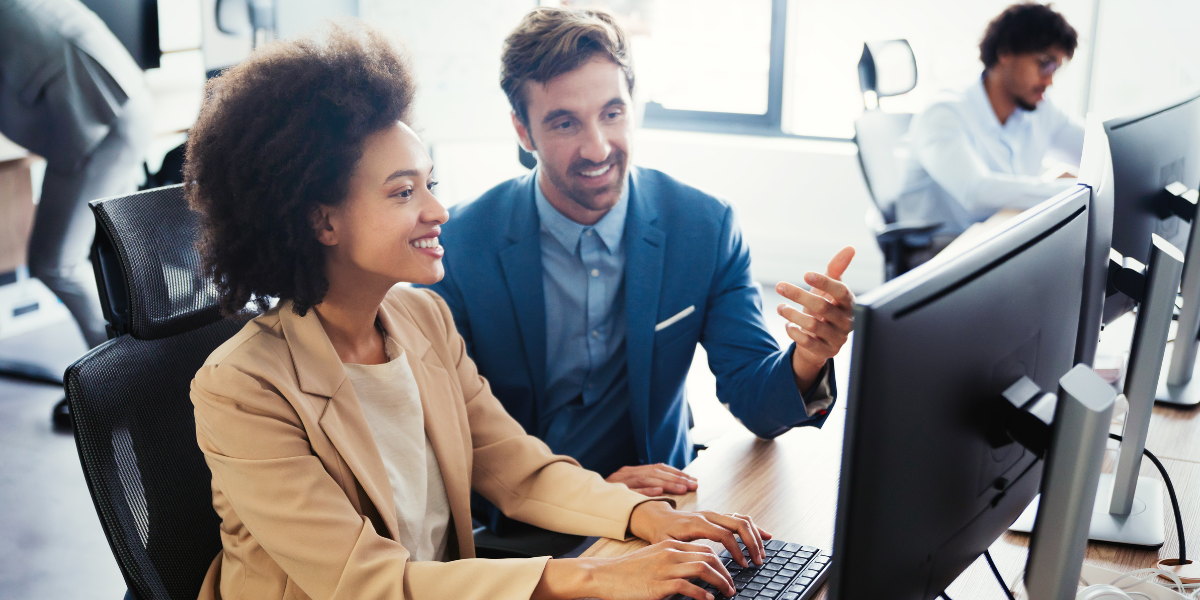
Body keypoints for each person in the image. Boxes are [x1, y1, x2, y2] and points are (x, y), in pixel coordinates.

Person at [186, 23, 774, 600]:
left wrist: (649, 518)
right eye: (402, 192)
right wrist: (597, 579)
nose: (438, 211)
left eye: (429, 183)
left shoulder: (423, 322)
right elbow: (366, 582)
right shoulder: (242, 388)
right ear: (322, 221)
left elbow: (519, 472)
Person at [423, 5, 855, 522]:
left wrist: (808, 355)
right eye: (564, 122)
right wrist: (589, 495)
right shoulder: (458, 247)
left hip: (662, 506)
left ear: (634, 106)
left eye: (612, 113)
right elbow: (446, 438)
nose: (598, 147)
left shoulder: (703, 227)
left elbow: (756, 401)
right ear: (523, 130)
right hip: (523, 527)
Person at [0, 0, 152, 349]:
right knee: (120, 254)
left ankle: (115, 372)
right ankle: (142, 361)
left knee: (55, 265)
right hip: (124, 107)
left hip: (99, 120)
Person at [895, 2, 1083, 263]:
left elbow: (1095, 150)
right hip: (942, 249)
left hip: (998, 235)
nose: (1049, 80)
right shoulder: (944, 113)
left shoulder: (1040, 109)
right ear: (1005, 53)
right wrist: (1074, 190)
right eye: (1044, 64)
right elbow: (977, 191)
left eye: (1055, 69)